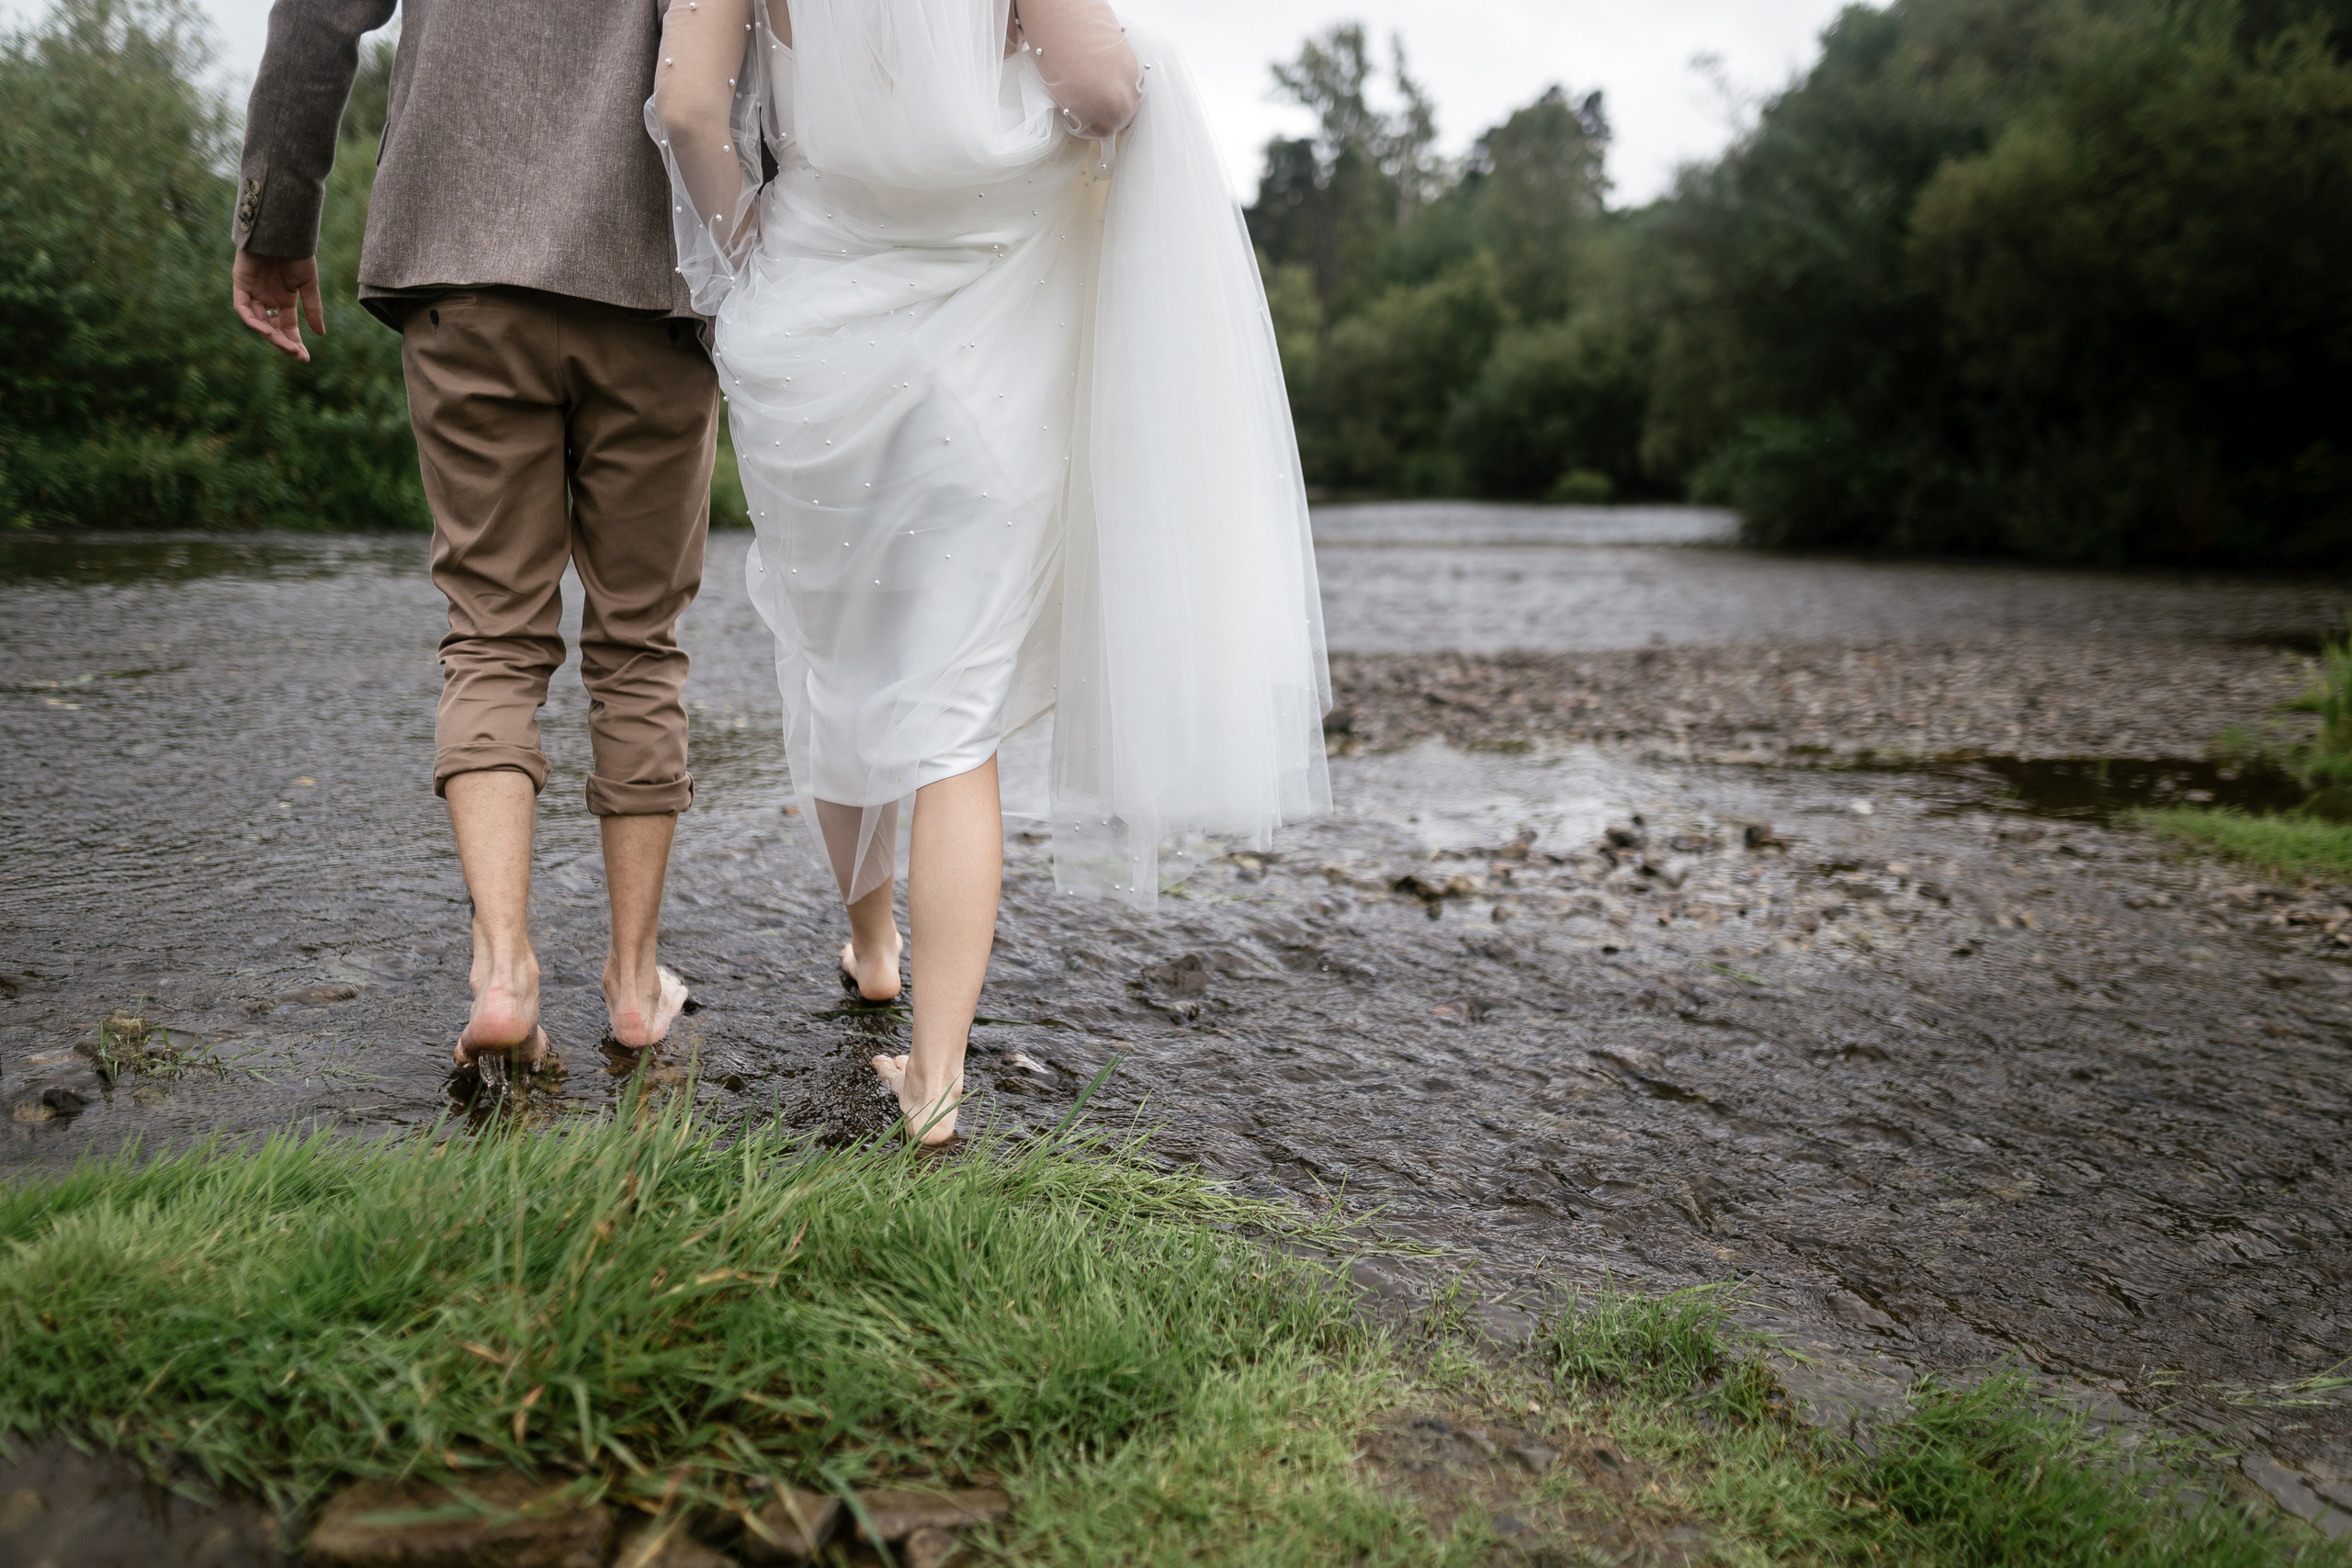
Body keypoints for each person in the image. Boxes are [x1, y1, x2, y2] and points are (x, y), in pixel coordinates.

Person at [650, 0, 1332, 1142]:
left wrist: (748, 241)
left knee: (841, 659)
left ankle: (873, 945)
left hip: (812, 330)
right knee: (954, 713)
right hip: (985, 338)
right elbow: (1103, 92)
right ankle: (935, 1079)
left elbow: (684, 107)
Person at [231, 0, 718, 1066]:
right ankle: (635, 985)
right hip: (653, 273)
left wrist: (276, 224)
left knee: (492, 634)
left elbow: (317, 15)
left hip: (460, 256)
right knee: (639, 645)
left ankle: (503, 973)